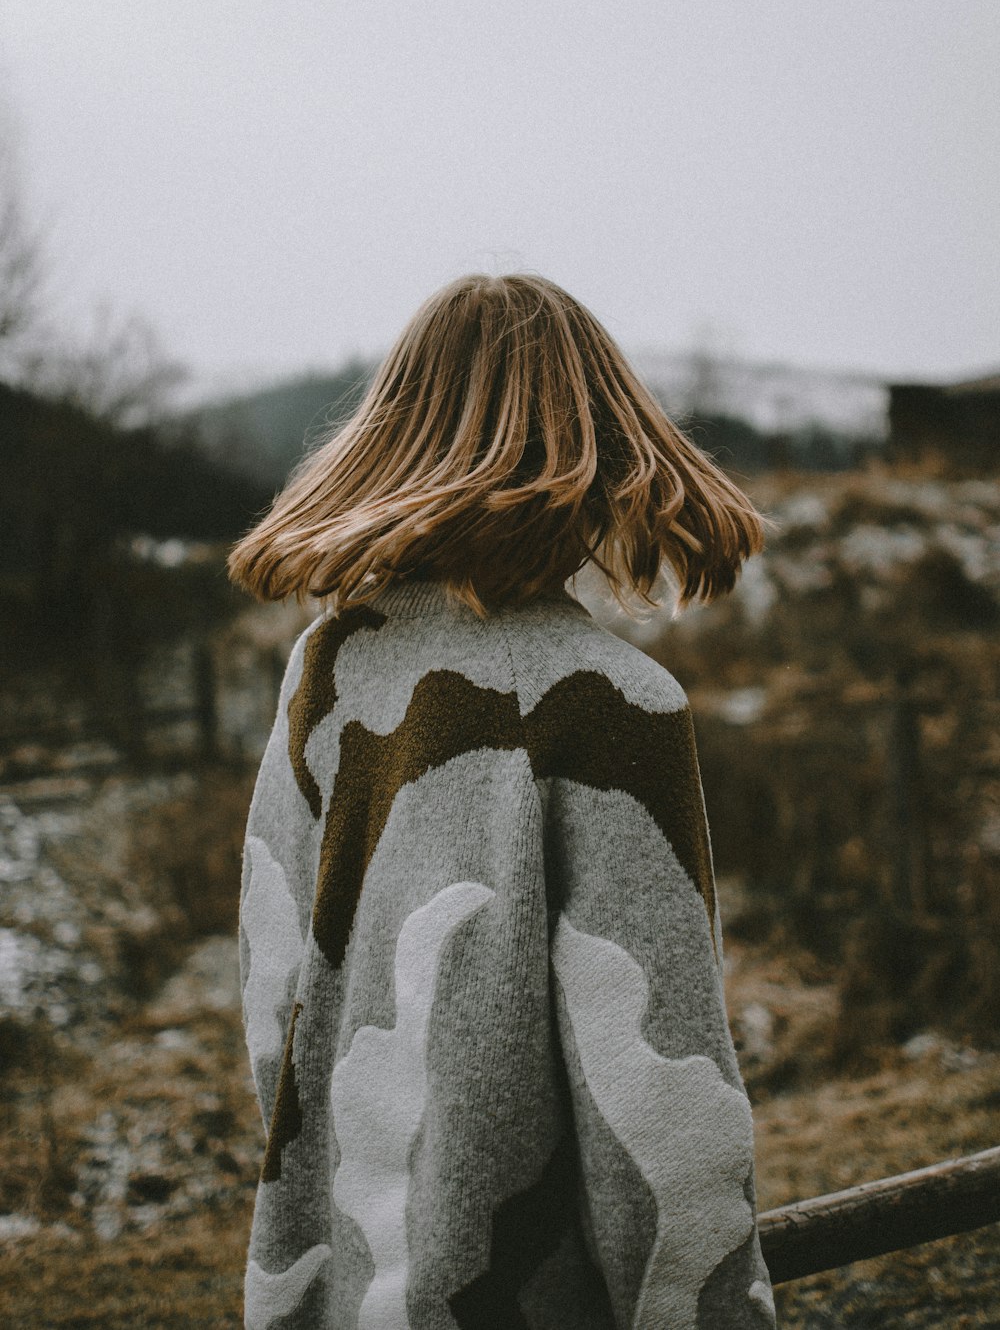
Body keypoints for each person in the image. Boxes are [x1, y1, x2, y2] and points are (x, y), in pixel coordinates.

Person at [228, 272, 777, 1329]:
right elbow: (662, 1116)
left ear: (395, 439)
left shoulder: (326, 667)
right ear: (610, 448)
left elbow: (272, 1007)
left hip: (333, 1283)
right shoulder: (613, 705)